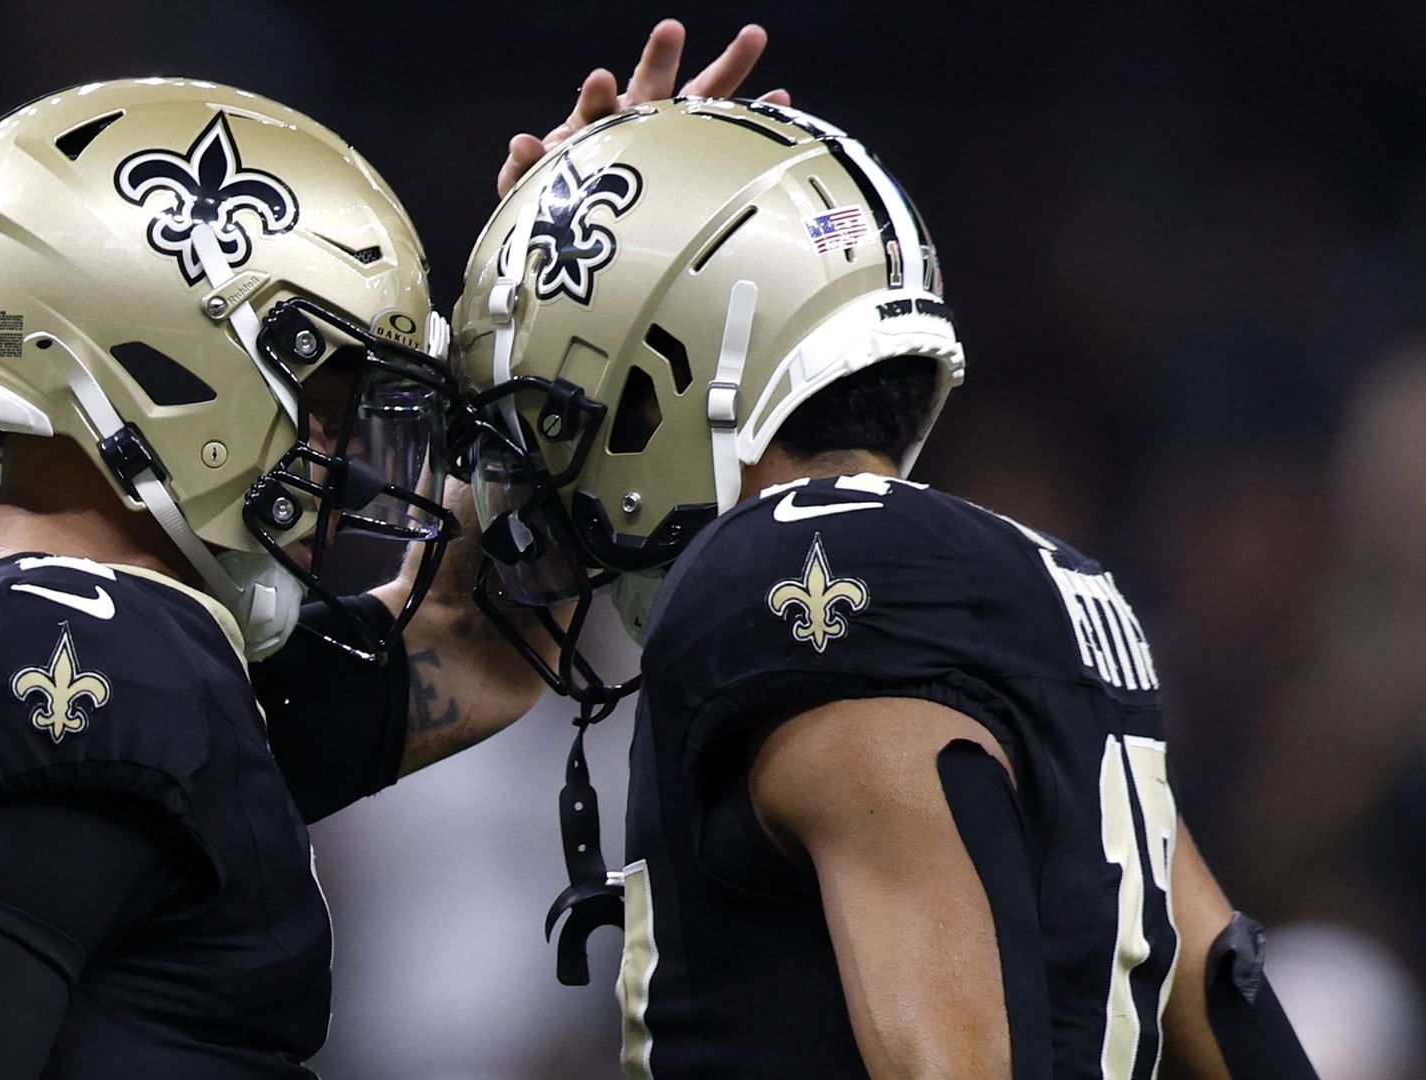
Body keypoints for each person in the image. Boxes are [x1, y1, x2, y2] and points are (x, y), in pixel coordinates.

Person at [0, 24, 786, 1078]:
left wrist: (585, 286)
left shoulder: (134, 650)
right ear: (169, 360)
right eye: (325, 399)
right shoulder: (64, 651)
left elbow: (473, 637)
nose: (343, 449)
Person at [452, 99, 1317, 1078]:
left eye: (562, 418)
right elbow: (1226, 1000)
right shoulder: (1052, 580)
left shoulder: (788, 580)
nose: (540, 477)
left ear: (668, 384)